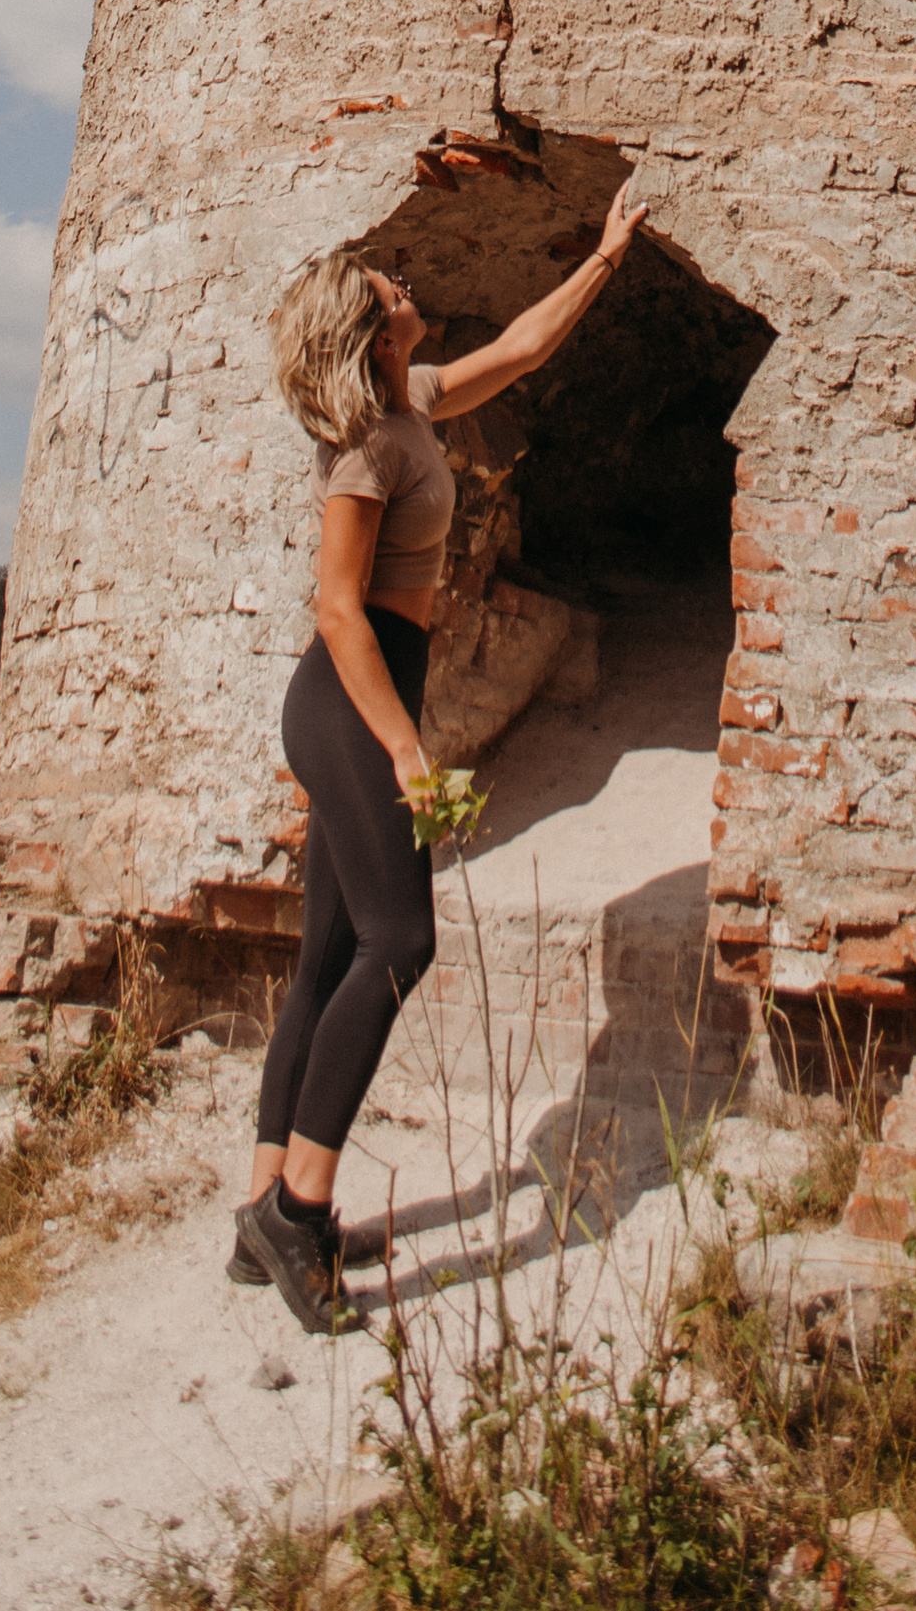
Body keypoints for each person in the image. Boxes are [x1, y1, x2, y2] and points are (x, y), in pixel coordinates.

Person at [229, 182, 649, 1332]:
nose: (404, 283)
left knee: (324, 954)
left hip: (366, 701)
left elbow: (515, 350)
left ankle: (257, 1203)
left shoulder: (411, 400)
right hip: (351, 702)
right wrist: (409, 749)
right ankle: (301, 1214)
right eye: (385, 286)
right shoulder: (363, 447)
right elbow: (338, 613)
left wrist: (606, 256)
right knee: (400, 938)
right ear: (366, 329)